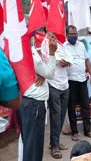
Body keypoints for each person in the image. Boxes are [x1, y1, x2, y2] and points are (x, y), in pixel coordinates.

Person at [18, 33, 57, 161]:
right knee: (32, 147)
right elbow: (50, 73)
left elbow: (46, 72)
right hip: (33, 104)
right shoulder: (29, 53)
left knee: (34, 145)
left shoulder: (29, 52)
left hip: (33, 103)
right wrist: (52, 53)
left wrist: (43, 73)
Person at [65, 25, 91, 141]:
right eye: (71, 34)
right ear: (67, 35)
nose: (74, 36)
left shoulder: (81, 45)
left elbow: (87, 60)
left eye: (75, 34)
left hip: (83, 80)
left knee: (85, 106)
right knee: (71, 107)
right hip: (70, 81)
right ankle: (74, 132)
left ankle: (88, 130)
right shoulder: (63, 47)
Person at [47, 54, 72, 158]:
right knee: (56, 116)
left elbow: (72, 59)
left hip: (65, 85)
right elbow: (45, 61)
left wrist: (68, 62)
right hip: (53, 85)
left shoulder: (64, 46)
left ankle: (54, 142)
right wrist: (58, 61)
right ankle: (54, 147)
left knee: (61, 116)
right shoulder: (47, 45)